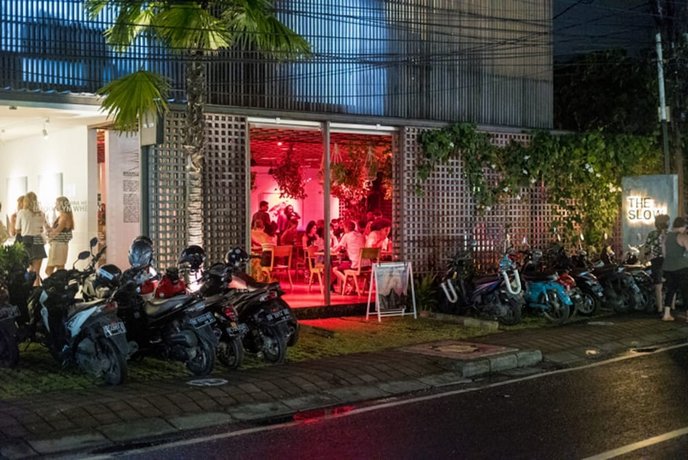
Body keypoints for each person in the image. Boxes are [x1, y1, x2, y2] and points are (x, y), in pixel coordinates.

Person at [15, 192, 49, 285]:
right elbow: (43, 228)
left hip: (26, 241)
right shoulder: (41, 213)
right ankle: (37, 291)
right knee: (36, 273)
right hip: (38, 240)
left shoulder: (21, 212)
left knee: (28, 271)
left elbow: (17, 229)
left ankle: (28, 291)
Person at [661, 217, 688, 321]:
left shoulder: (666, 236)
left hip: (668, 267)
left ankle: (666, 314)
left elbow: (664, 253)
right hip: (681, 267)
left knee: (671, 290)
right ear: (682, 226)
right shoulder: (682, 236)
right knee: (685, 291)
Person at [331, 220, 366, 293]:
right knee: (345, 265)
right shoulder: (361, 235)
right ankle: (352, 287)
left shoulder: (346, 235)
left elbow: (337, 249)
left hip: (356, 264)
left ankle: (349, 285)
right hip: (366, 265)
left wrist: (331, 249)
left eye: (344, 227)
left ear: (346, 228)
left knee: (335, 269)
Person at [645, 214, 669, 314]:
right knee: (669, 284)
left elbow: (647, 247)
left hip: (656, 260)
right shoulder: (669, 234)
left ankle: (660, 308)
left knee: (658, 285)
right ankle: (670, 306)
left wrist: (646, 256)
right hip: (668, 260)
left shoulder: (652, 234)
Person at [45, 196, 74, 276]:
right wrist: (45, 223)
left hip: (58, 246)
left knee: (49, 270)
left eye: (56, 204)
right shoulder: (62, 216)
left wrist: (49, 235)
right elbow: (53, 231)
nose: (55, 206)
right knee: (60, 270)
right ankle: (59, 283)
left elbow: (55, 233)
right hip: (61, 246)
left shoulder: (64, 217)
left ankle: (53, 283)